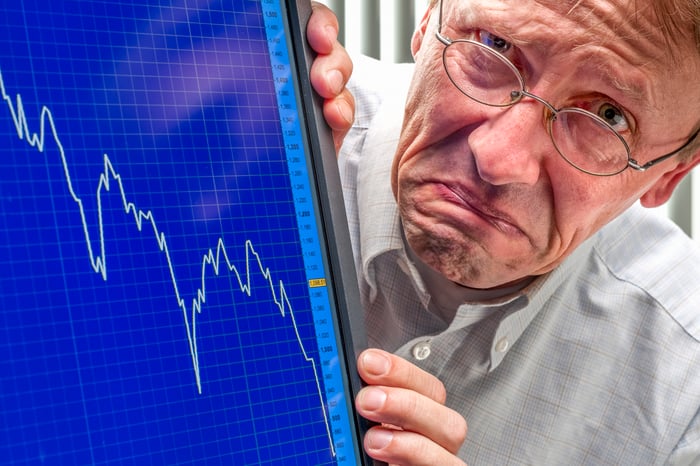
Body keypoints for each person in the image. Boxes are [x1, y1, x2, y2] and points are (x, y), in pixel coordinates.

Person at [307, 1, 700, 464]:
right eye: (493, 45)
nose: (497, 159)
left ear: (668, 177)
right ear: (428, 18)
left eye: (609, 117)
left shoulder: (684, 393)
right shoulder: (245, 143)